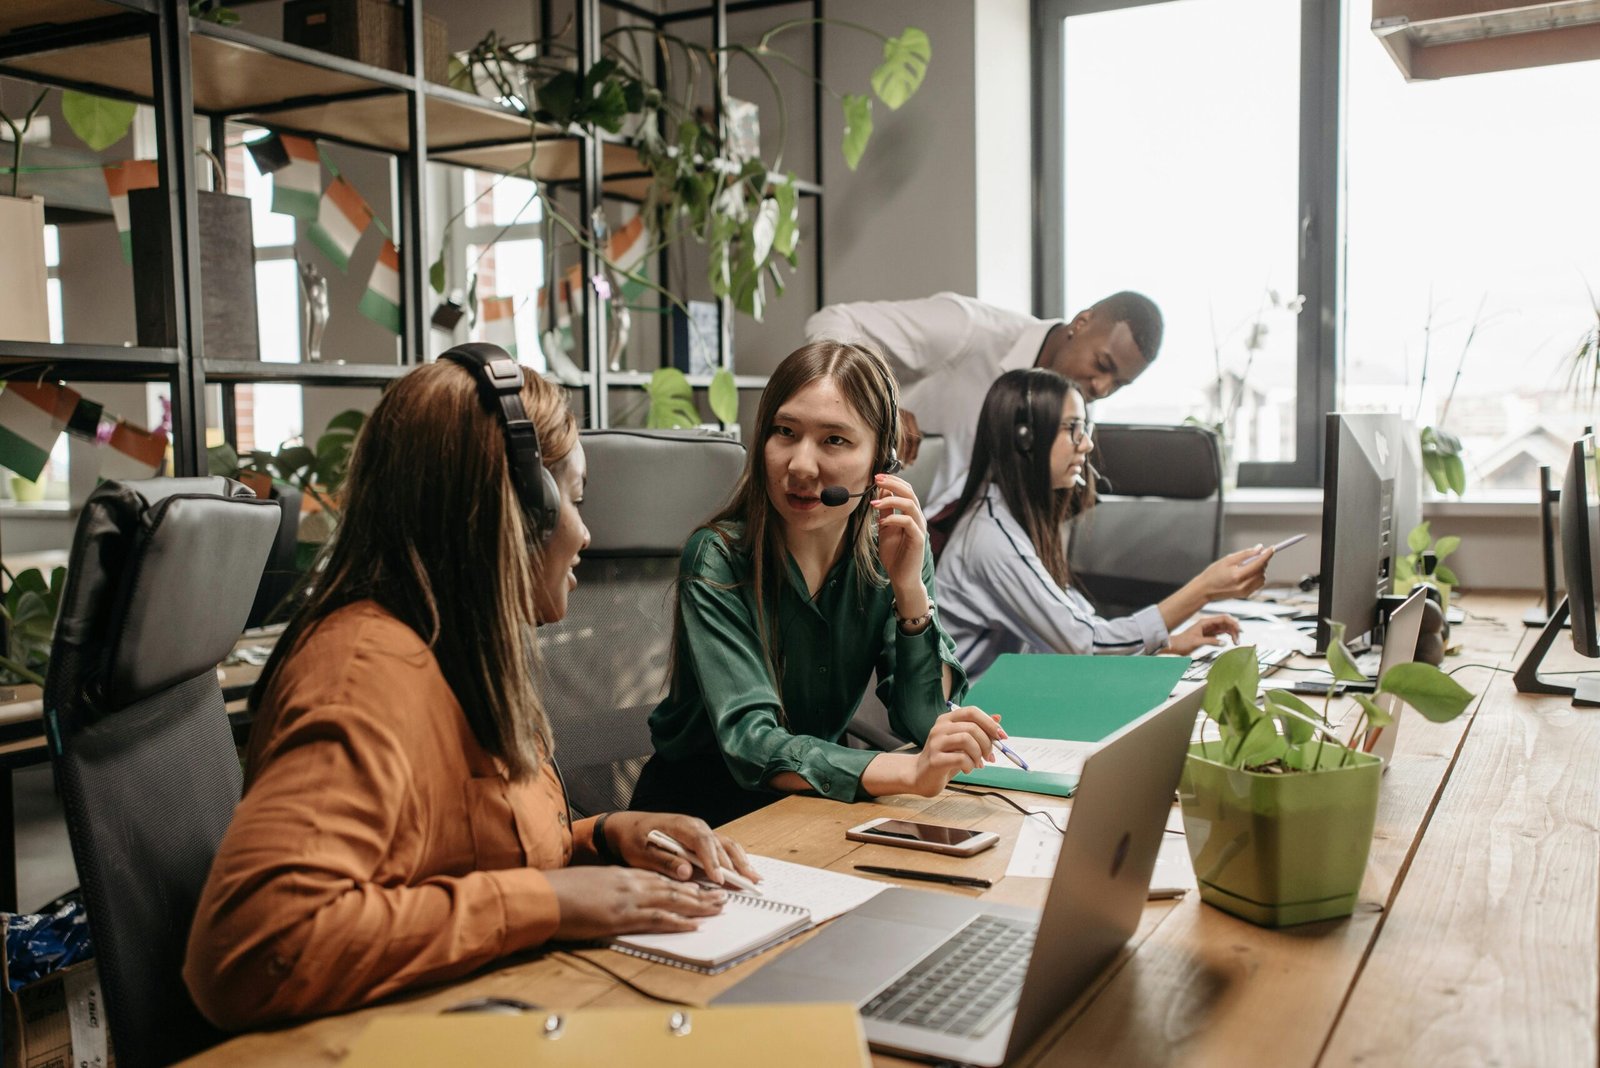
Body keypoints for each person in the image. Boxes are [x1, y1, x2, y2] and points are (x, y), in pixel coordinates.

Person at [184, 345, 758, 1030]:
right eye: (572, 502)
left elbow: (461, 856)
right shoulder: (364, 674)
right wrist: (549, 902)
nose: (584, 533)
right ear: (512, 511)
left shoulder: (455, 649)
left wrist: (603, 838)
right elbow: (257, 947)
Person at [629, 340, 1004, 827]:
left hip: (816, 808)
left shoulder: (892, 548)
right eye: (785, 432)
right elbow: (753, 746)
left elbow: (922, 719)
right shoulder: (718, 558)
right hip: (700, 819)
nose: (801, 467)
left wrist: (910, 587)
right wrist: (911, 771)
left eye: (834, 440)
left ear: (880, 464)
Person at [933, 368, 1271, 680]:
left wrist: (1170, 642)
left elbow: (1076, 625)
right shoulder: (991, 539)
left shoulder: (1013, 520)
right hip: (969, 722)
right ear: (1026, 439)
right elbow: (1087, 643)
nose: (1087, 444)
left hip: (1009, 699)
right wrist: (1204, 588)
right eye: (1071, 429)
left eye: (1085, 428)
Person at [805, 290, 1164, 515]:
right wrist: (880, 402)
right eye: (1103, 366)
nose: (1102, 388)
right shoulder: (969, 329)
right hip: (849, 510)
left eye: (1120, 384)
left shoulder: (1078, 407)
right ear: (1081, 323)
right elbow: (832, 320)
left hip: (936, 551)